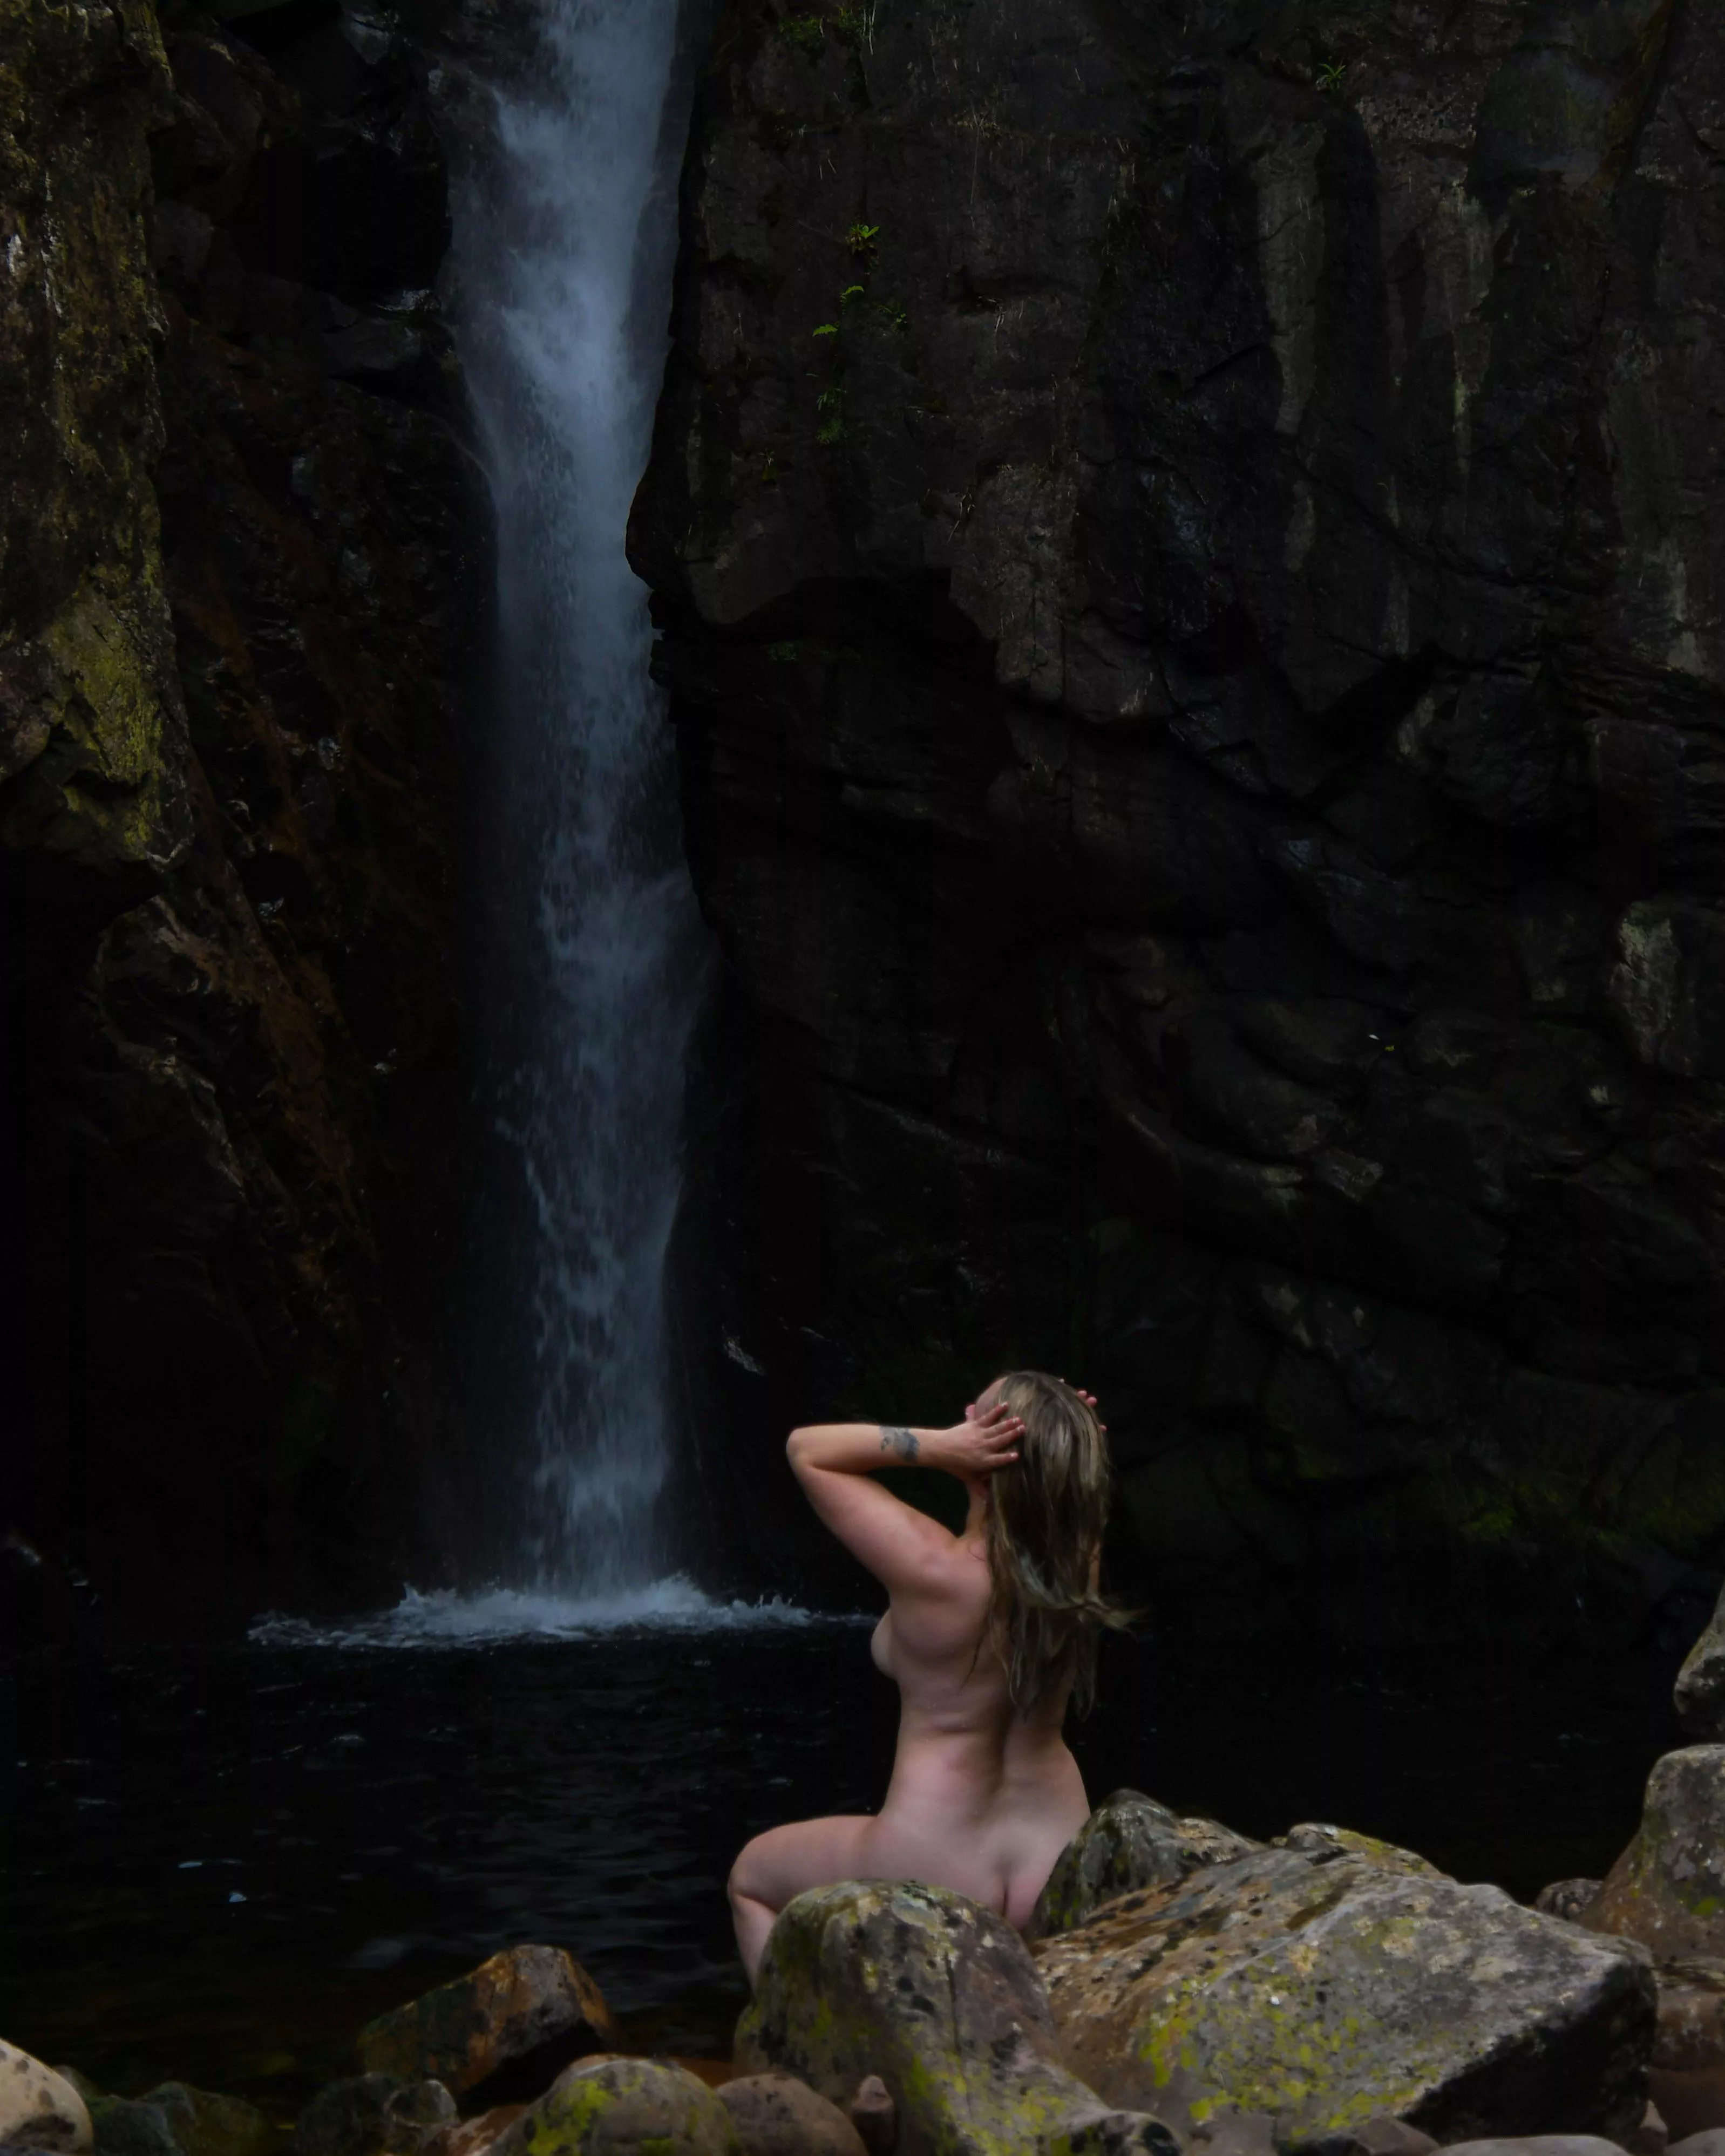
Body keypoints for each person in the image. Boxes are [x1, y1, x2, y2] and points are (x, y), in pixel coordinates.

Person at [728, 1370, 1131, 1981]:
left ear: (985, 1447)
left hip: (932, 1856)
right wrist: (1066, 1440)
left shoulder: (930, 1567)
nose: (967, 1413)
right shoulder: (1079, 1566)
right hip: (1053, 1853)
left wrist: (940, 1445)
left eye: (980, 1414)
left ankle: (788, 2061)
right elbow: (1067, 1490)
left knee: (751, 1878)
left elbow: (807, 1449)